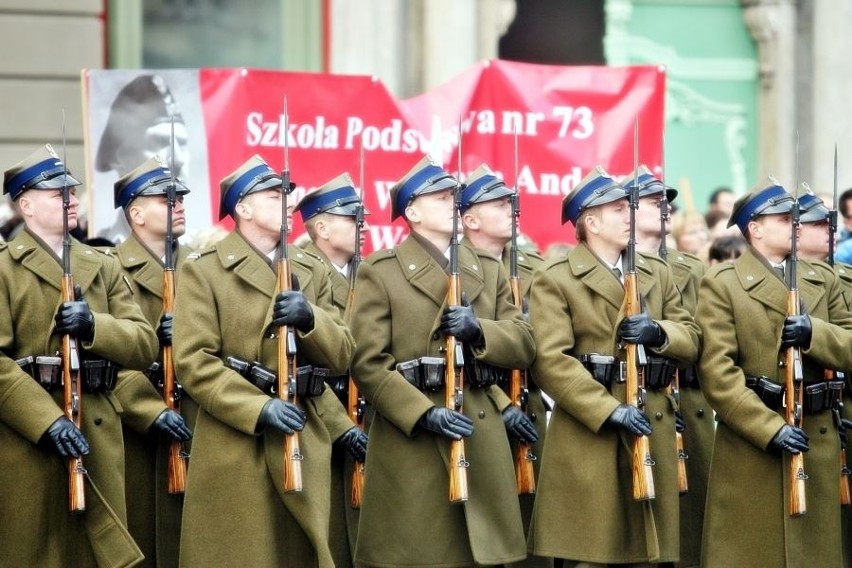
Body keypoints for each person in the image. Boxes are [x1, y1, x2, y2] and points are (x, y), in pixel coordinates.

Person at [349, 155, 537, 567]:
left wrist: (480, 331)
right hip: (412, 436)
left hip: (477, 424)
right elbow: (367, 361)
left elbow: (524, 343)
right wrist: (420, 414)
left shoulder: (487, 267)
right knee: (421, 551)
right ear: (412, 212)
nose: (453, 202)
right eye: (441, 197)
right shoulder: (382, 272)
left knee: (481, 554)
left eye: (454, 195)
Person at [172, 155, 360, 567]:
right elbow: (194, 362)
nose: (287, 204)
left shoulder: (310, 268)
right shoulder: (206, 271)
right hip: (237, 438)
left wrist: (311, 318)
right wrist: (259, 407)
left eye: (286, 195)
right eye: (274, 196)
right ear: (243, 208)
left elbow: (344, 353)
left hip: (302, 431)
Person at [527, 166, 700, 567]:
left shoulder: (655, 270)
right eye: (619, 209)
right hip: (593, 427)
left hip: (651, 418)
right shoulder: (557, 278)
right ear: (590, 220)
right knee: (597, 550)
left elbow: (692, 338)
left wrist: (659, 332)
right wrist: (608, 409)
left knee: (650, 552)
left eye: (630, 207)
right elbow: (552, 360)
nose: (631, 216)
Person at [0, 144, 159, 567]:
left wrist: (94, 327)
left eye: (72, 191)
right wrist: (45, 419)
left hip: (98, 425)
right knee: (38, 549)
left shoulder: (102, 265)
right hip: (29, 435)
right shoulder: (4, 268)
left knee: (99, 554)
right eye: (58, 194)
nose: (72, 199)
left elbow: (143, 344)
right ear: (26, 204)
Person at [696, 182, 852, 567]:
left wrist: (815, 332)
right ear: (756, 228)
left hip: (816, 434)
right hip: (753, 441)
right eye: (784, 219)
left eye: (796, 218)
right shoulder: (723, 284)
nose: (795, 226)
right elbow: (718, 371)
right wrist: (768, 428)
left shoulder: (824, 279)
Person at [458, 163, 547, 568]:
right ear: (470, 218)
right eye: (498, 203)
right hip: (483, 407)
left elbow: (540, 343)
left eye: (511, 201)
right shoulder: (452, 268)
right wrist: (501, 403)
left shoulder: (533, 266)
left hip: (531, 404)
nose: (511, 208)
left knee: (533, 535)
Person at [623, 165, 712, 568]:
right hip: (640, 394)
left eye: (667, 203)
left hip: (685, 397)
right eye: (653, 202)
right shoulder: (617, 264)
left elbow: (699, 335)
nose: (664, 208)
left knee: (689, 523)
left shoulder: (689, 267)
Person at [112, 155, 195, 567]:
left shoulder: (202, 266)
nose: (179, 203)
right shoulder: (110, 269)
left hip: (199, 417)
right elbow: (107, 358)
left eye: (179, 196)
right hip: (140, 430)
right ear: (137, 212)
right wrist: (150, 410)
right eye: (167, 198)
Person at [293, 172, 371, 567]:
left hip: (369, 412)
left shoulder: (369, 273)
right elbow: (304, 365)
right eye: (354, 219)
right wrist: (340, 425)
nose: (364, 226)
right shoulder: (300, 274)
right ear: (321, 227)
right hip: (323, 413)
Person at [94, 74, 191, 243]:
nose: (178, 159)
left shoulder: (199, 251)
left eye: (182, 144)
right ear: (119, 157)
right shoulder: (103, 250)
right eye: (160, 142)